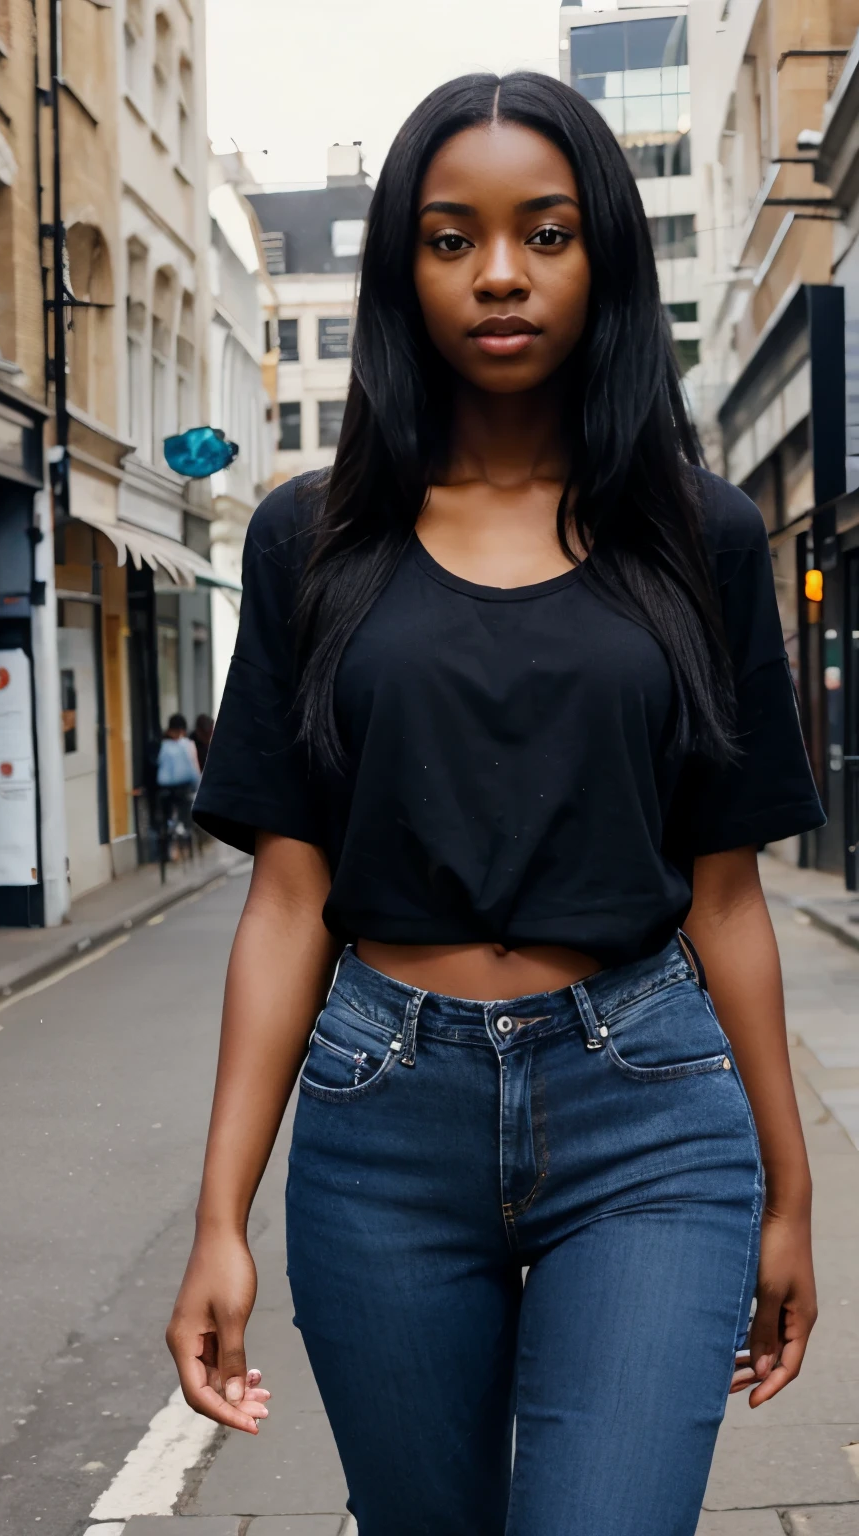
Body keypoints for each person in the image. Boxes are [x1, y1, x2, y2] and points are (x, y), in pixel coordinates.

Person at [166, 73, 825, 1536]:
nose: (504, 274)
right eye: (453, 238)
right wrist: (219, 1219)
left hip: (648, 1108)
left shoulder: (697, 533)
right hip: (380, 1118)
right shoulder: (309, 539)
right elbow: (286, 897)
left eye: (548, 231)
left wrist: (791, 1186)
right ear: (403, 266)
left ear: (606, 262)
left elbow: (727, 894)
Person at [155, 713, 200, 858]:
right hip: (184, 787)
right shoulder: (187, 744)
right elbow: (194, 769)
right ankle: (184, 839)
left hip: (166, 788)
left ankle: (170, 838)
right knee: (185, 814)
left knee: (167, 816)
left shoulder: (163, 745)